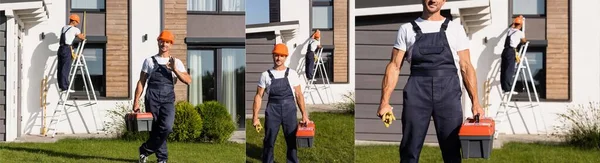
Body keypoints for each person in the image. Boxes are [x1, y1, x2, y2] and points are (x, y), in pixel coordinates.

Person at [376, 0, 483, 162]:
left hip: (448, 91)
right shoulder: (407, 29)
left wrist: (476, 102)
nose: (433, 0)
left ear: (444, 1)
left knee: (452, 149)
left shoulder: (456, 28)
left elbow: (466, 66)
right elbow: (394, 66)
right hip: (417, 91)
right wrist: (384, 101)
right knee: (409, 147)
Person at [133, 30, 192, 163]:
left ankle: (145, 149)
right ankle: (162, 159)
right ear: (158, 42)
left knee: (167, 127)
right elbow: (141, 82)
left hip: (168, 99)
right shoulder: (149, 61)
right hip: (152, 97)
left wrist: (174, 69)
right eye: (162, 41)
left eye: (167, 42)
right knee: (156, 129)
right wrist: (136, 101)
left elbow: (188, 80)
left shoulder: (176, 62)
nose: (163, 44)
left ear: (170, 44)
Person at [252, 43, 311, 163]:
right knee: (269, 139)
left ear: (286, 57)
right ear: (273, 56)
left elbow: (299, 95)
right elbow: (258, 96)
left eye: (282, 56)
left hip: (289, 109)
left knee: (291, 139)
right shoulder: (265, 75)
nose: (279, 58)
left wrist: (304, 114)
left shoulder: (293, 74)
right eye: (276, 55)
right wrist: (255, 117)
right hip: (272, 109)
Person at [57, 14, 85, 93]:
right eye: (77, 22)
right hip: (67, 49)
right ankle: (65, 87)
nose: (77, 24)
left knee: (60, 68)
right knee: (66, 68)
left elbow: (68, 36)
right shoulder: (75, 29)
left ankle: (61, 87)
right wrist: (83, 35)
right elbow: (81, 37)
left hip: (61, 49)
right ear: (73, 21)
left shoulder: (63, 28)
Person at [501, 15, 527, 95]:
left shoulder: (510, 30)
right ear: (520, 25)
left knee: (504, 70)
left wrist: (519, 18)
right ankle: (508, 89)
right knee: (509, 70)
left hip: (505, 51)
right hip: (511, 52)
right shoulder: (520, 33)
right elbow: (524, 41)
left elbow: (512, 25)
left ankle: (505, 89)